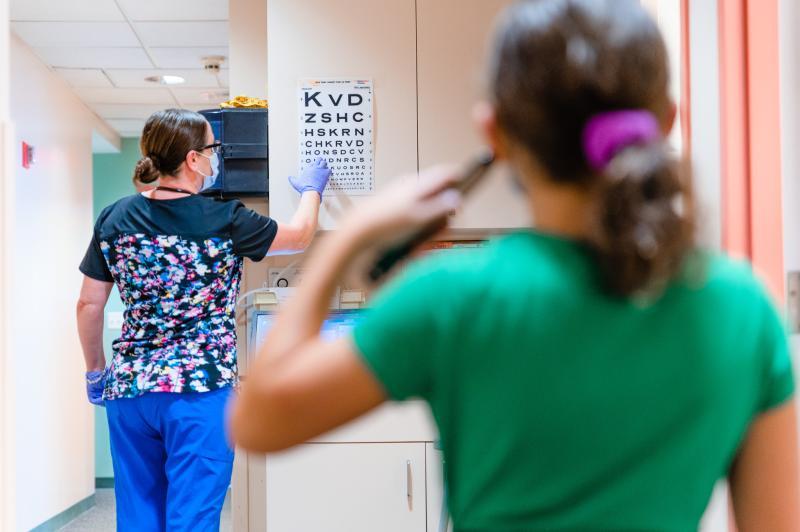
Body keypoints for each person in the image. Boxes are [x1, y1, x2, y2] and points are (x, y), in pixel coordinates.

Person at [229, 1, 799, 530]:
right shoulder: (743, 309)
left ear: (495, 133)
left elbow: (256, 420)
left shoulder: (454, 298)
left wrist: (348, 236)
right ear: (667, 119)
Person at [76, 108, 331, 531]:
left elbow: (88, 304)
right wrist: (311, 191)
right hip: (199, 390)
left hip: (130, 391)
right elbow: (300, 235)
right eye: (212, 149)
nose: (215, 159)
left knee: (138, 518)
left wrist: (95, 371)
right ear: (193, 159)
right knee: (192, 519)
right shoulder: (225, 219)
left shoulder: (114, 218)